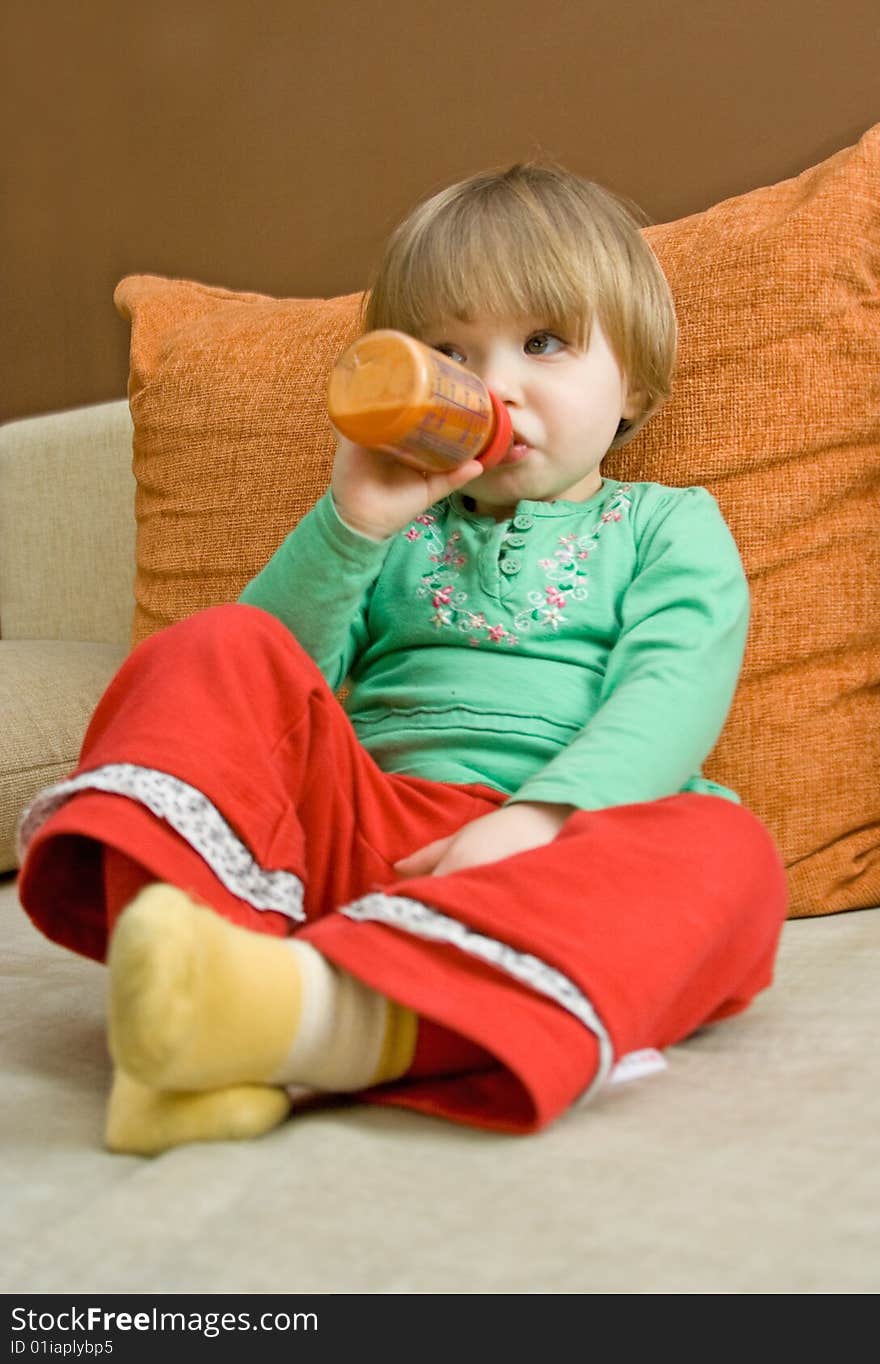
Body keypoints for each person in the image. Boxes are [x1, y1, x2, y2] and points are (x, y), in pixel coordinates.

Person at [16, 161, 788, 1156]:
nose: (495, 385)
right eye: (449, 353)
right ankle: (199, 964)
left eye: (542, 341)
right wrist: (354, 522)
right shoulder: (388, 525)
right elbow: (263, 694)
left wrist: (535, 819)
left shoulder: (666, 525)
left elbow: (671, 689)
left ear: (633, 378)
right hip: (366, 829)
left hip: (563, 850)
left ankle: (283, 1020)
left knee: (729, 854)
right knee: (212, 642)